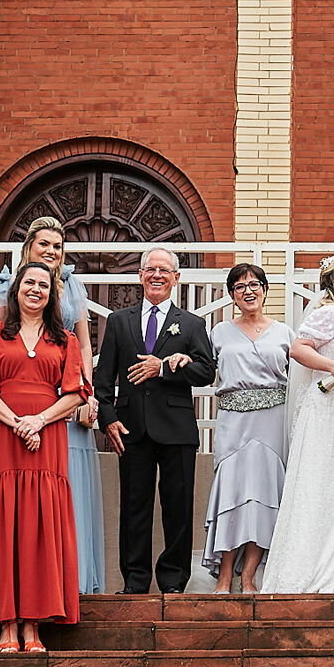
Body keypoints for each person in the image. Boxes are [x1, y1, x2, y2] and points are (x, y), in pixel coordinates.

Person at [0, 262, 86, 648]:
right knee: (6, 525)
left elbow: (74, 393)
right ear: (15, 290)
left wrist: (37, 421)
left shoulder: (66, 340)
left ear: (53, 294)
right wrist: (18, 422)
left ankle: (33, 624)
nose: (36, 289)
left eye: (44, 284)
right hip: (4, 440)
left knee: (39, 526)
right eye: (29, 283)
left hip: (47, 441)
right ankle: (5, 624)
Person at [95, 246, 216, 593]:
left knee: (177, 508)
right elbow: (104, 379)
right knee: (134, 507)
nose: (157, 275)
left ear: (176, 278)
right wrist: (108, 418)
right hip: (131, 427)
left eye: (164, 270)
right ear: (140, 276)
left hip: (176, 429)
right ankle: (135, 581)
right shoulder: (120, 321)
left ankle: (174, 581)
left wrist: (164, 367)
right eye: (150, 269)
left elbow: (206, 371)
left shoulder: (192, 324)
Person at [258, 255, 334, 593]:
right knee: (318, 484)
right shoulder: (328, 313)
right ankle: (304, 570)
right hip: (326, 408)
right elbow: (298, 349)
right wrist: (333, 366)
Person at [19, 216, 104, 594]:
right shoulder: (8, 286)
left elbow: (85, 344)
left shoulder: (73, 286)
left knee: (72, 490)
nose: (52, 252)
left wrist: (86, 392)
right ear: (28, 247)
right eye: (44, 245)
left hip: (70, 396)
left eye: (57, 246)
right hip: (28, 401)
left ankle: (75, 579)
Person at [202, 263, 292, 592]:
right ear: (231, 296)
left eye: (255, 284)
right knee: (233, 492)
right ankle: (224, 575)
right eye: (240, 287)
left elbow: (302, 373)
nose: (248, 291)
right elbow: (201, 368)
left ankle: (249, 575)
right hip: (233, 421)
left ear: (265, 291)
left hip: (272, 421)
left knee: (265, 495)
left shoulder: (284, 332)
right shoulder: (219, 333)